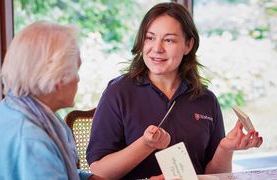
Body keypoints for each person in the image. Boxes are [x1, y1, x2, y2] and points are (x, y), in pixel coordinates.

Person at [86, 2, 263, 179]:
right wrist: (146, 144)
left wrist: (226, 148)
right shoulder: (118, 92)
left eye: (169, 40)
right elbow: (100, 171)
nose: (157, 48)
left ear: (188, 45)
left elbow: (214, 176)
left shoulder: (206, 99)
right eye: (150, 38)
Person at [0, 21, 103, 180]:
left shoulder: (14, 108)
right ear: (57, 78)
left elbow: (54, 170)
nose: (78, 79)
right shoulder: (29, 138)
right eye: (75, 70)